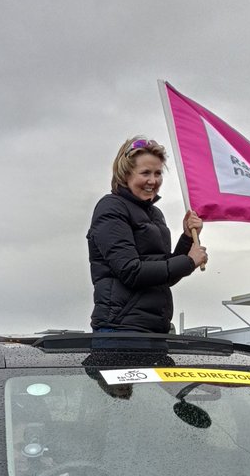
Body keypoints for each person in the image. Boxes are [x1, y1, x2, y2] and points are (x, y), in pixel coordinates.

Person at [87, 136, 208, 333]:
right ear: (125, 174)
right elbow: (131, 271)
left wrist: (186, 239)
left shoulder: (154, 214)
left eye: (158, 173)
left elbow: (164, 275)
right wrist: (188, 262)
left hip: (154, 329)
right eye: (145, 173)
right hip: (122, 330)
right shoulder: (110, 208)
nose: (153, 181)